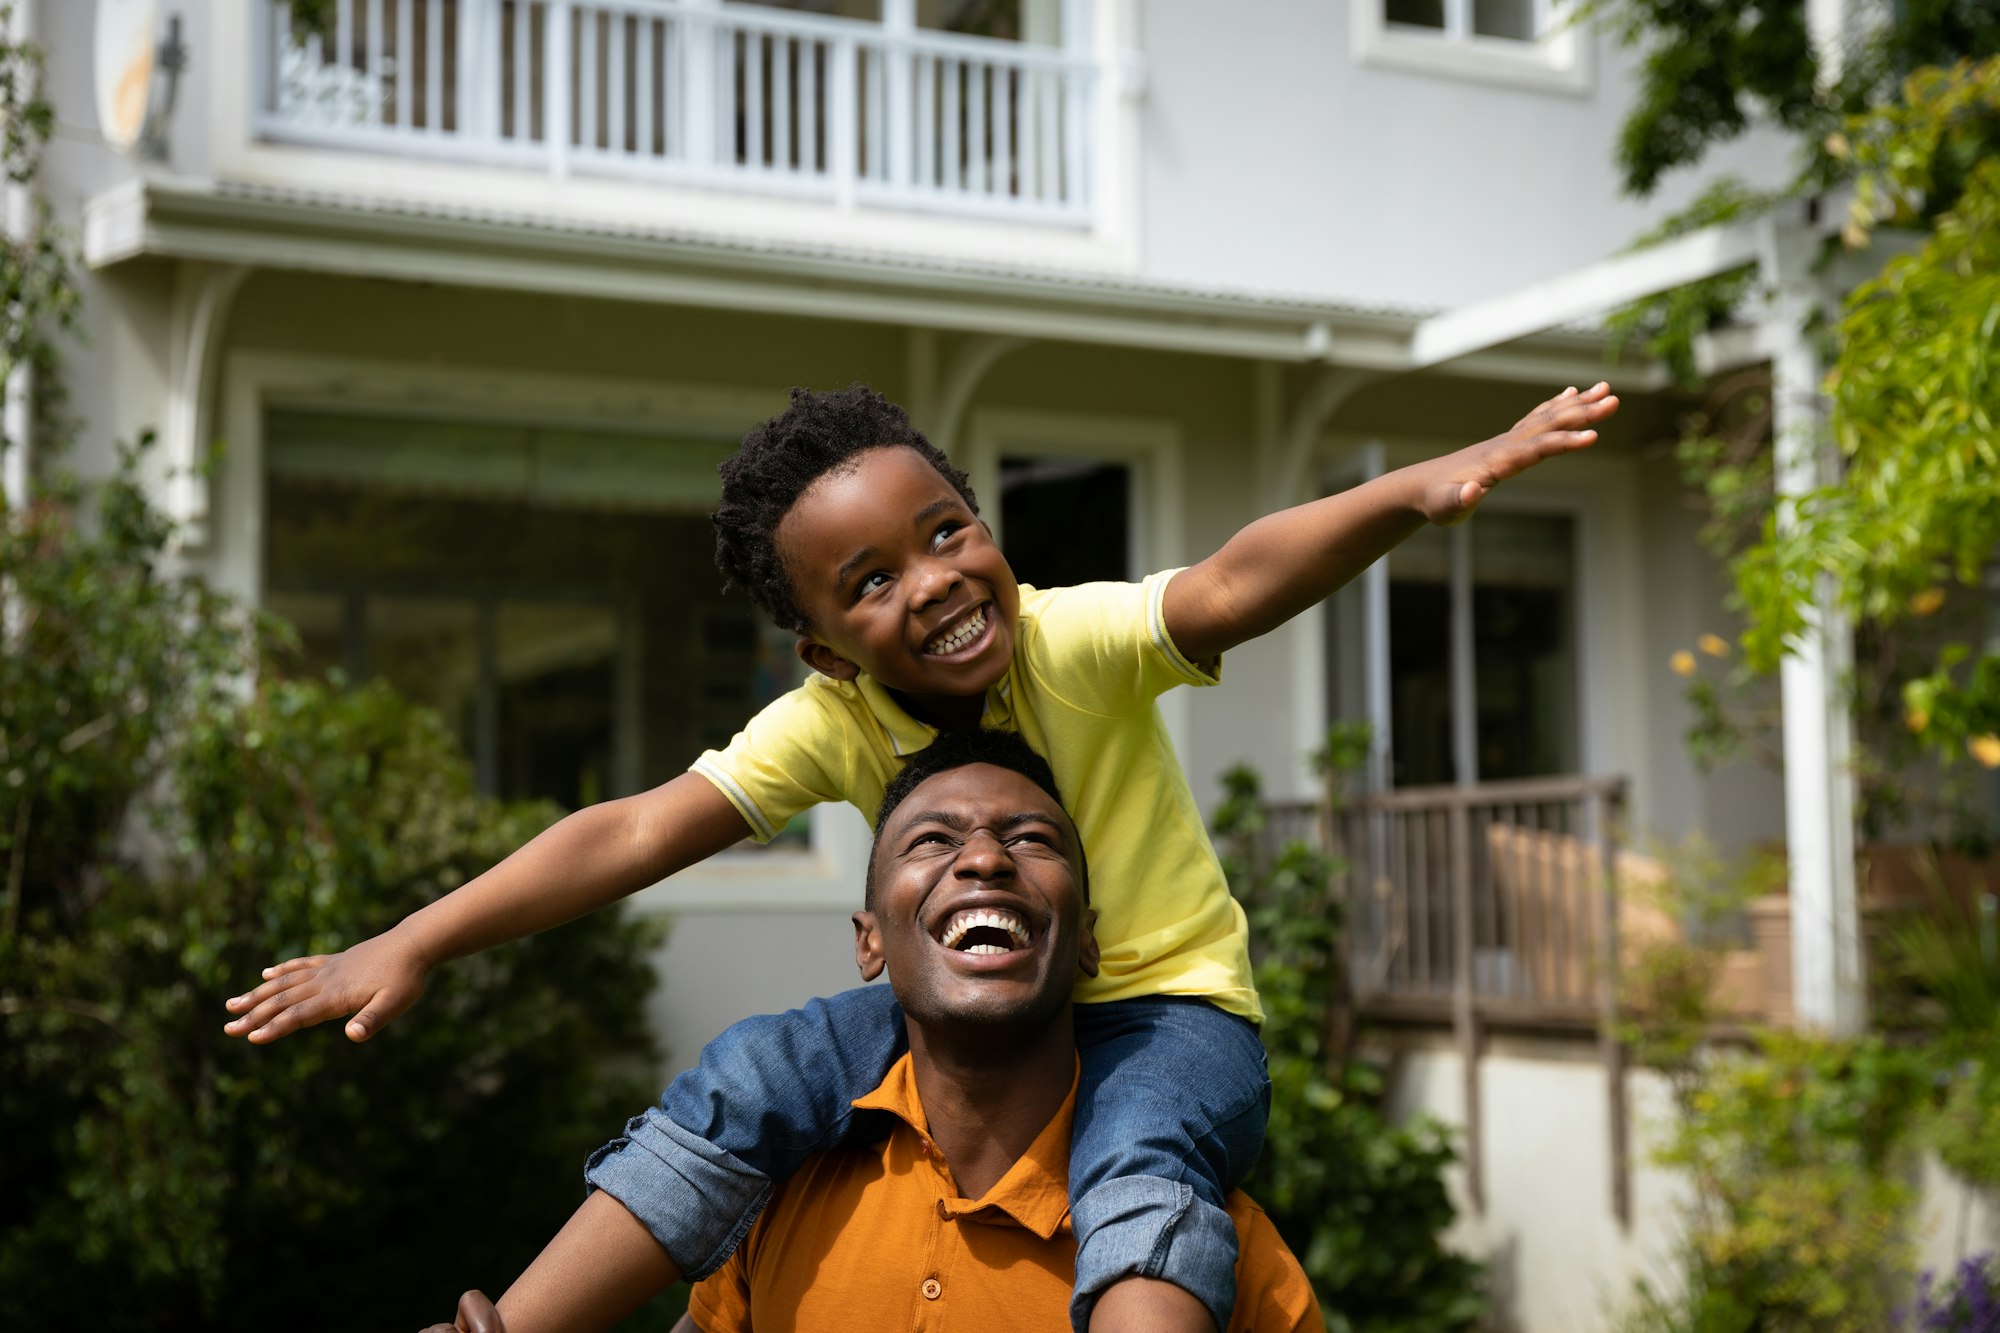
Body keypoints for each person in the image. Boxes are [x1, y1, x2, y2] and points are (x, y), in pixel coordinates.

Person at [232, 380, 1619, 1332]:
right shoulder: (830, 722)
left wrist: (1415, 490)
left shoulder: (1075, 640)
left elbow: (1233, 580)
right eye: (874, 580)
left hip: (1162, 1017)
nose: (936, 581)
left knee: (1136, 1167)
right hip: (959, 1013)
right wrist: (413, 938)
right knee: (753, 1075)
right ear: (827, 648)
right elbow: (636, 828)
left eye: (946, 531)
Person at [425, 731, 1321, 1333]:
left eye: (1031, 837)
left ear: (1088, 941)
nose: (983, 857)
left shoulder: (1195, 1243)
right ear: (869, 941)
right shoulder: (768, 1194)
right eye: (933, 840)